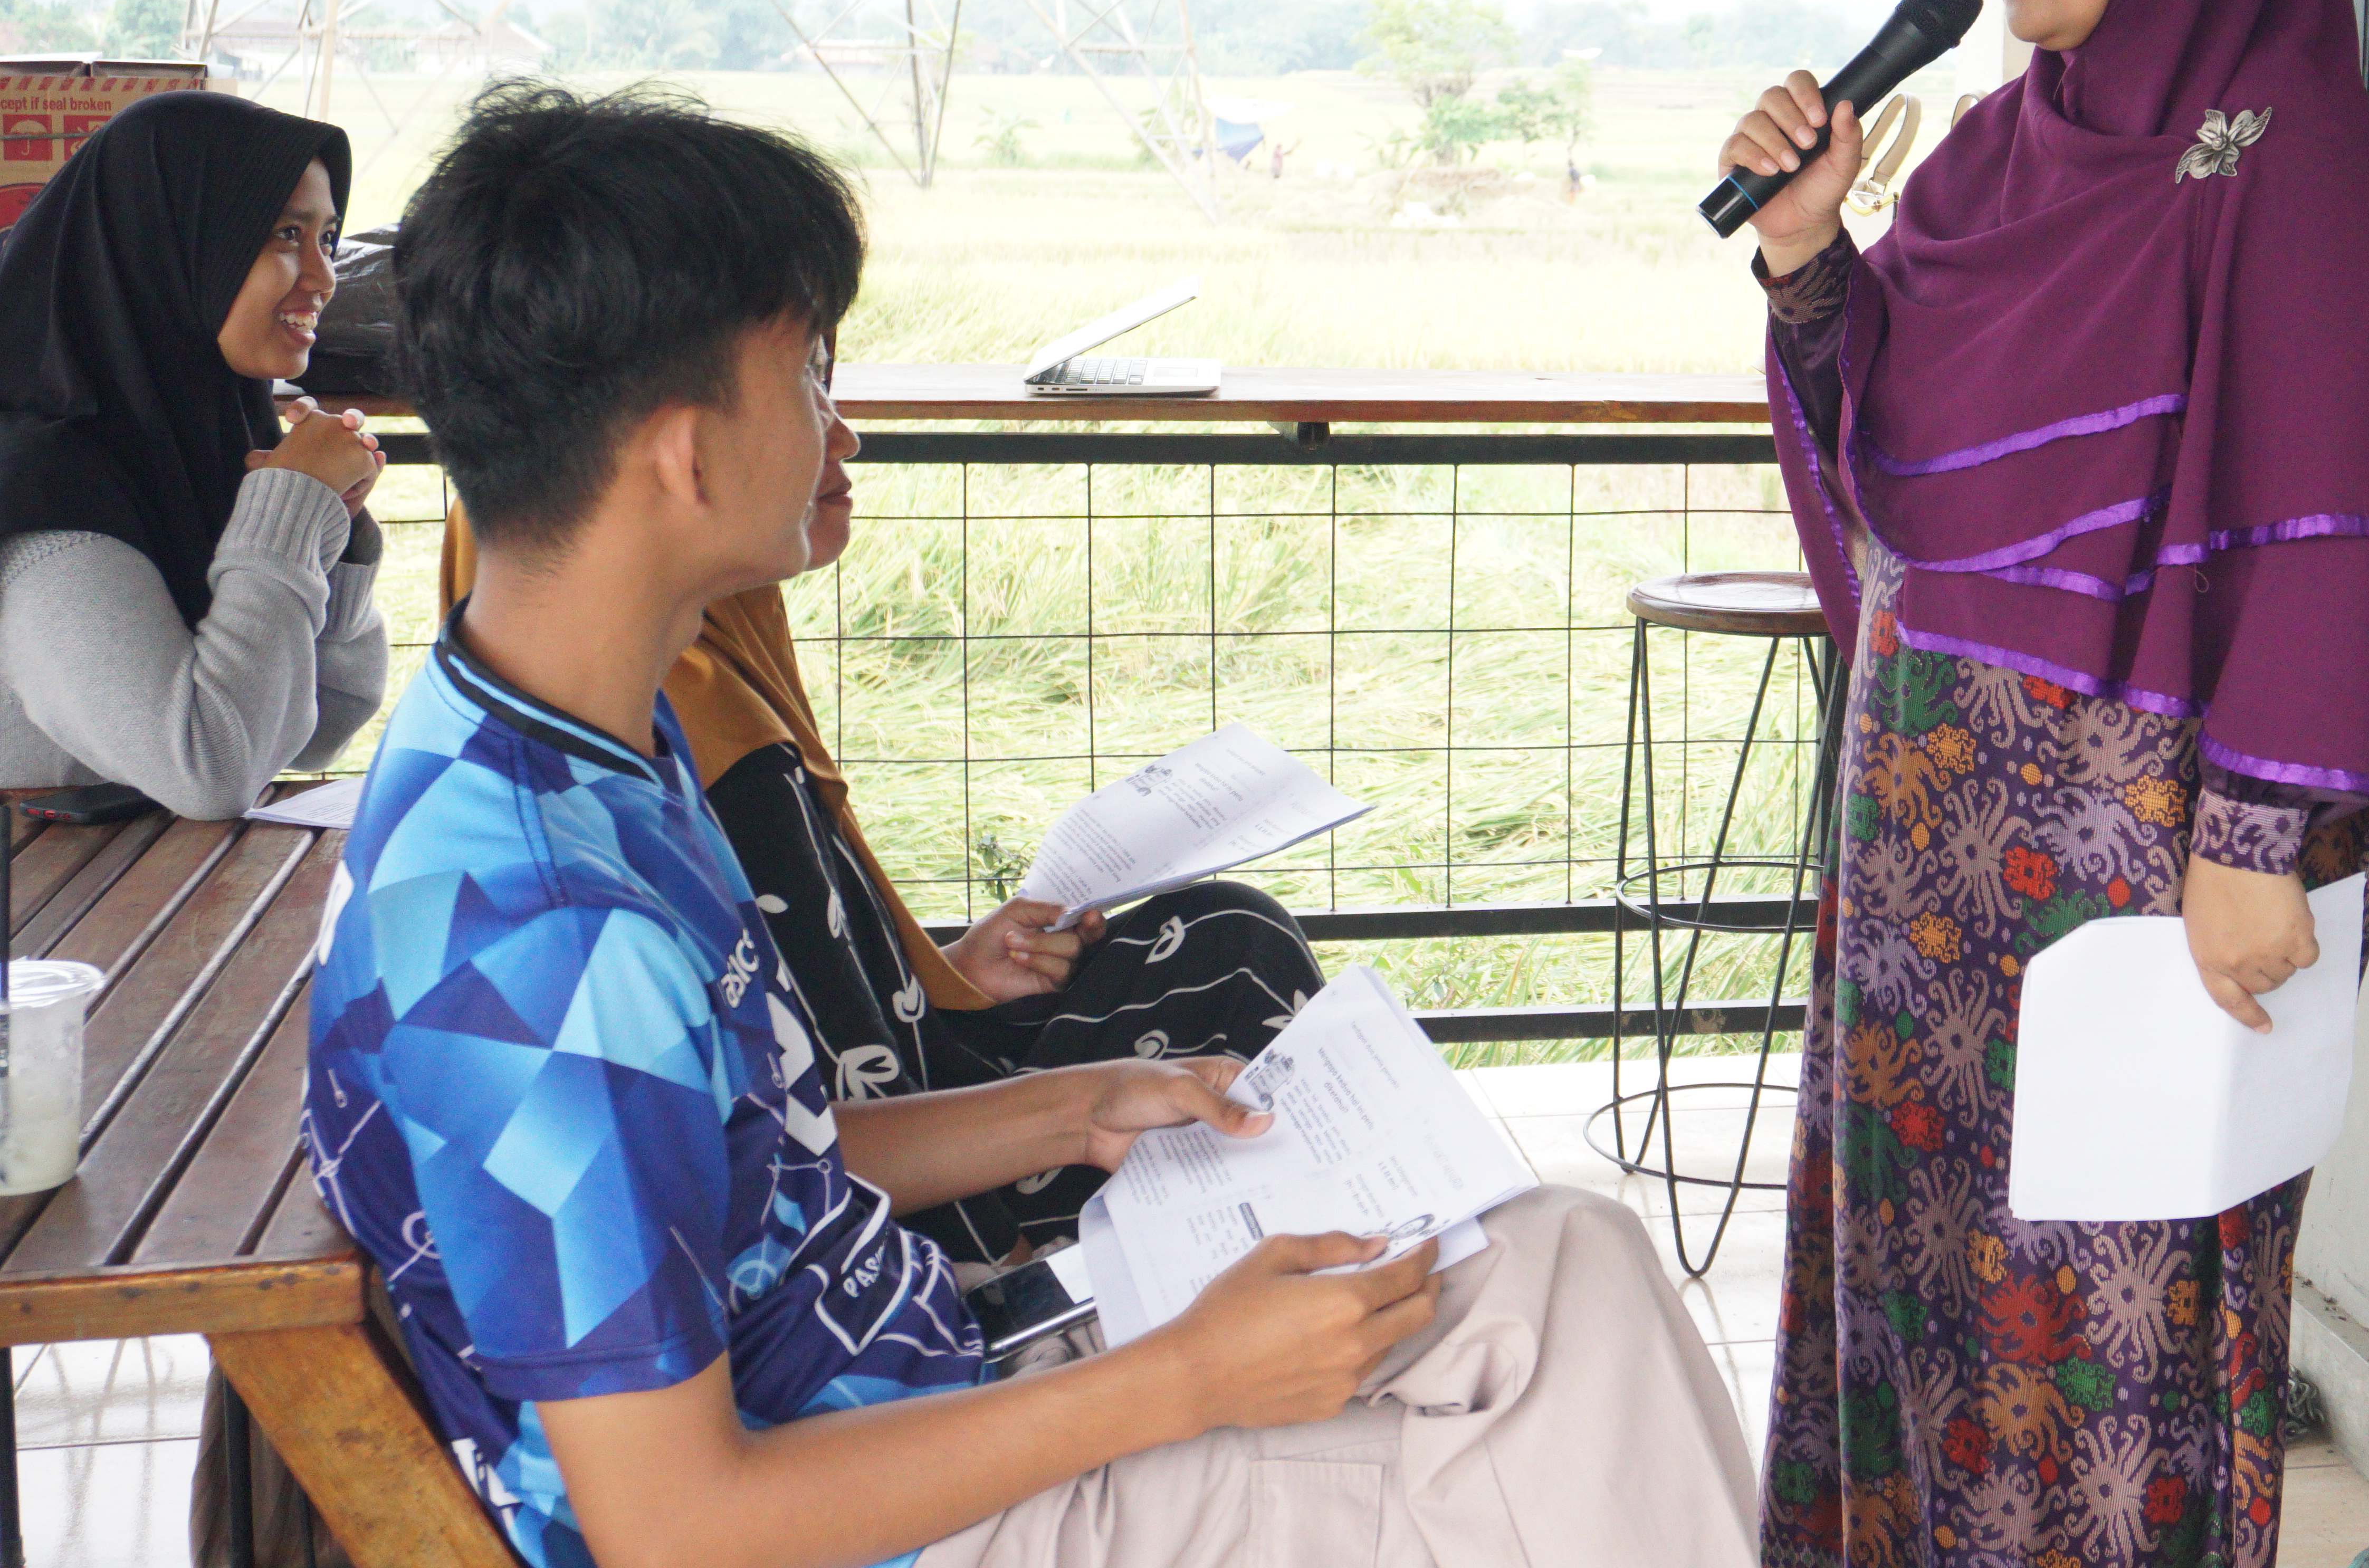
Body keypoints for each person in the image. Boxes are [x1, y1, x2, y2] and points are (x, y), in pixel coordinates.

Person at [308, 83, 1755, 1568]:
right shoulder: (544, 930)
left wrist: (1079, 1104)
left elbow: (739, 1156)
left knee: (1563, 1260)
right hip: (876, 1518)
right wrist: (1182, 1379)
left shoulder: (560, 738)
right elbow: (676, 1527)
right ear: (684, 457)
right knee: (1551, 1407)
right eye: (809, 373)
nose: (836, 421)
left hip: (916, 1375)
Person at [1720, 0, 2369, 1568]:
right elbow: (1894, 469)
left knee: (2100, 1349)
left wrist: (2256, 843)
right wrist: (1808, 262)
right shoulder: (1997, 157)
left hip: (2131, 882)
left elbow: (2342, 522)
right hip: (1924, 873)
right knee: (1917, 1304)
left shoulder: (2289, 171)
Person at [434, 463, 1328, 1267]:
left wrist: (944, 974)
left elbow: (817, 1012)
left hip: (887, 1122)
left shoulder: (644, 705)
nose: (843, 438)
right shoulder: (697, 753)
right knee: (1241, 964)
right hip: (913, 1226)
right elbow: (809, 1124)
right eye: (802, 383)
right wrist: (1019, 1252)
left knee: (1229, 936)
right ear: (677, 448)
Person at [0, 92, 385, 821]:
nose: (324, 276)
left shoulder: (192, 435)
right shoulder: (44, 496)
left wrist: (334, 534)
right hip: (44, 913)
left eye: (327, 238)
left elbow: (318, 729)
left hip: (135, 903)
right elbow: (210, 769)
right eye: (282, 234)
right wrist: (291, 509)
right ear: (165, 242)